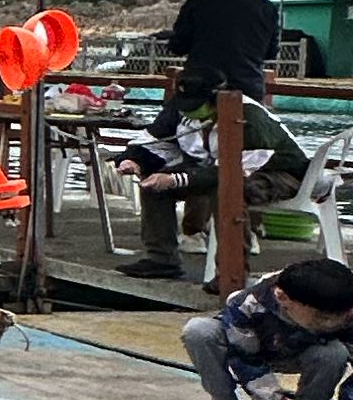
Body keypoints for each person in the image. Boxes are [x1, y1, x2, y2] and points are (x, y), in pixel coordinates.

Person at [119, 94, 310, 277]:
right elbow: (153, 141)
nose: (188, 111)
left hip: (277, 172)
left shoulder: (250, 117)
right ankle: (161, 259)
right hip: (214, 168)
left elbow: (233, 170)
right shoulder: (179, 109)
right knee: (154, 186)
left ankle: (231, 273)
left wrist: (176, 179)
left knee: (229, 192)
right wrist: (134, 160)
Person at [182, 253, 353, 400]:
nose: (334, 324)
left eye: (342, 317)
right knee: (199, 330)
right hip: (256, 351)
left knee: (334, 352)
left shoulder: (344, 308)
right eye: (322, 318)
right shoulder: (248, 305)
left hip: (309, 352)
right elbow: (245, 361)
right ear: (283, 298)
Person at [166, 0, 280, 116]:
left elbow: (178, 46)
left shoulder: (197, 4)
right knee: (246, 130)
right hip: (248, 92)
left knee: (166, 128)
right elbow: (270, 52)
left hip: (197, 94)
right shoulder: (267, 8)